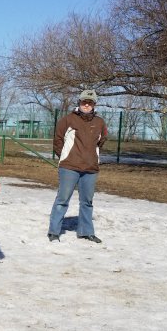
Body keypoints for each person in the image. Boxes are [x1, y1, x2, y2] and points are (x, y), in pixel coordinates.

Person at [47, 89, 108, 244]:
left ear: (94, 104)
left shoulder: (100, 122)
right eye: (84, 102)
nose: (86, 105)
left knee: (87, 202)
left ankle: (86, 232)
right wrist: (66, 157)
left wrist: (92, 157)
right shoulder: (68, 120)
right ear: (79, 102)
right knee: (62, 199)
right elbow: (58, 140)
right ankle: (54, 232)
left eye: (90, 102)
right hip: (69, 167)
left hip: (91, 169)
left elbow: (101, 141)